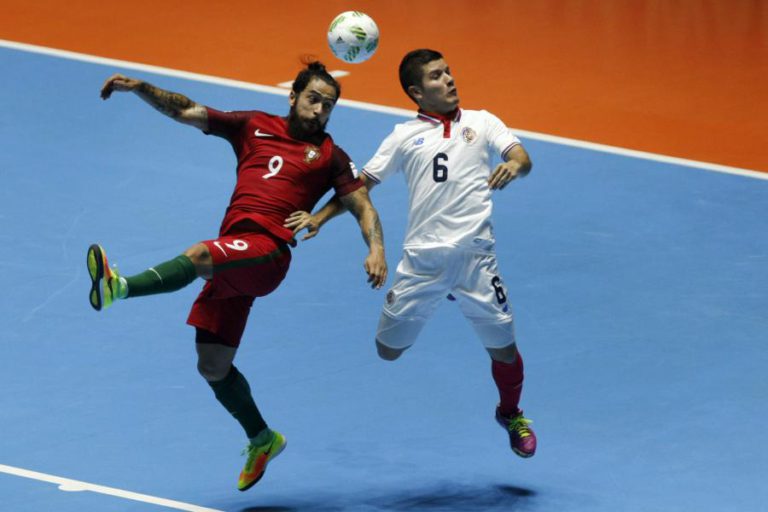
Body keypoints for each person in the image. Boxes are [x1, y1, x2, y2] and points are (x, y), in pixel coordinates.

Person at [88, 62, 387, 491]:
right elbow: (187, 109)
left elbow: (362, 206)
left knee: (197, 255)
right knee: (212, 366)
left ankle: (119, 287)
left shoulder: (330, 157)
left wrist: (375, 248)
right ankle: (263, 439)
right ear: (293, 97)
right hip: (236, 253)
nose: (320, 109)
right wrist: (139, 87)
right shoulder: (253, 126)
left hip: (266, 254)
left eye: (328, 105)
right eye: (313, 99)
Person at [290, 49, 537, 458]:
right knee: (388, 352)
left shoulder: (482, 121)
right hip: (423, 264)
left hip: (476, 260)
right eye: (438, 76)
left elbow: (520, 156)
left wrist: (517, 165)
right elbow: (360, 187)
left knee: (505, 349)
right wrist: (319, 217)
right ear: (417, 92)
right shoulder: (404, 137)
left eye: (449, 71)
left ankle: (511, 413)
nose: (450, 80)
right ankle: (442, 293)